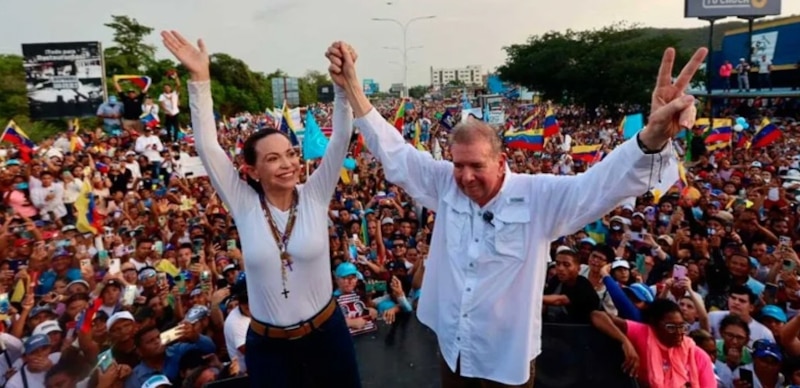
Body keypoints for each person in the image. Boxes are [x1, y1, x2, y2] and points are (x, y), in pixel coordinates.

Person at [326, 41, 707, 387]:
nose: (465, 176)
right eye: (458, 165)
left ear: (502, 161)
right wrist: (353, 88)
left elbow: (601, 185)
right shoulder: (444, 182)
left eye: (476, 165)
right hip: (453, 347)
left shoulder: (539, 195)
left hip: (506, 361)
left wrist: (652, 137)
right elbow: (395, 153)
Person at [161, 31, 361, 387]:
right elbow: (207, 146)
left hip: (327, 336)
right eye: (272, 158)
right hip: (270, 347)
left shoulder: (314, 194)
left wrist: (344, 86)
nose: (287, 164)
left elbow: (341, 138)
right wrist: (200, 79)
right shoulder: (243, 203)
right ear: (251, 171)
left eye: (290, 154)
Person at [590, 299, 716, 388]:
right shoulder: (643, 333)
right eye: (671, 327)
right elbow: (597, 315)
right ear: (654, 325)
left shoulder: (698, 356)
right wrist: (625, 341)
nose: (679, 333)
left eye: (682, 327)